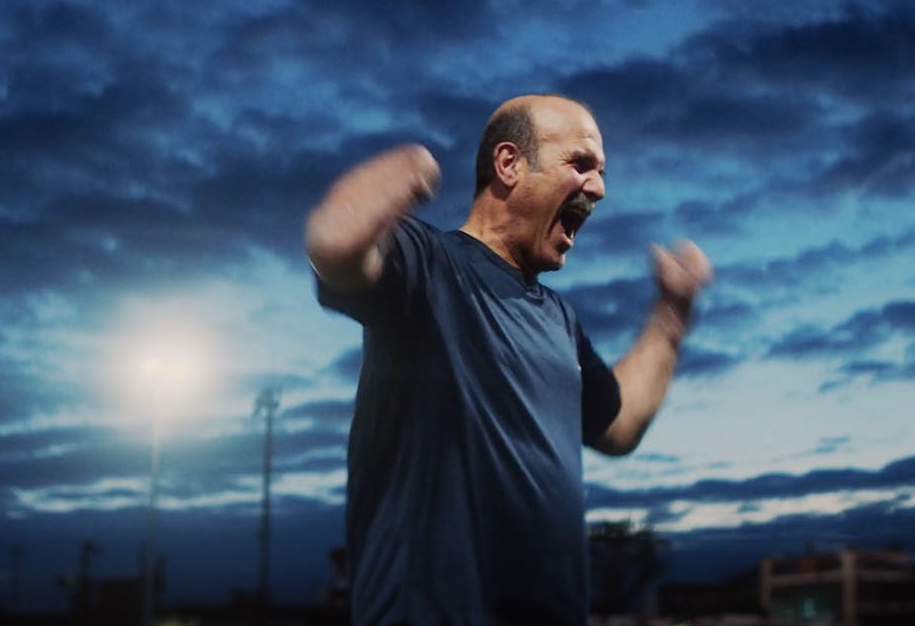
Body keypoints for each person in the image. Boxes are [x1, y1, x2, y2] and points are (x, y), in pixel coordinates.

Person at [305, 94, 712, 625]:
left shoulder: (560, 321)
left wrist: (672, 315)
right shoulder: (428, 266)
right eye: (581, 164)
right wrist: (405, 167)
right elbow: (335, 246)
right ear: (509, 164)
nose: (600, 188)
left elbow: (619, 426)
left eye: (602, 171)